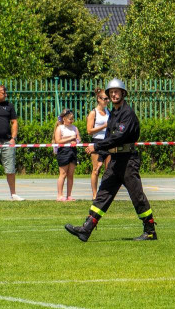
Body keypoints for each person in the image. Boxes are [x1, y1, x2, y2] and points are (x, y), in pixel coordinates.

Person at [65, 79, 157, 242]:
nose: (113, 94)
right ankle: (87, 229)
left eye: (117, 91)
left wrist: (97, 146)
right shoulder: (113, 114)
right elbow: (109, 138)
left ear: (123, 93)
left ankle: (150, 231)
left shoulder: (127, 113)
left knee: (137, 196)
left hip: (128, 161)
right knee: (103, 194)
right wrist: (100, 151)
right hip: (115, 160)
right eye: (111, 92)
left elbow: (119, 137)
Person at [0, 84, 22, 201]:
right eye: (3, 92)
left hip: (7, 142)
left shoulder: (9, 106)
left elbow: (14, 122)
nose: (5, 94)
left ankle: (13, 194)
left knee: (10, 170)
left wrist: (13, 138)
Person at [86, 88, 110, 200]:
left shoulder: (108, 112)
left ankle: (106, 193)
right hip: (97, 142)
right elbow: (89, 131)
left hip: (108, 142)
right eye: (105, 99)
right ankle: (95, 194)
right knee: (96, 169)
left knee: (108, 169)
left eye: (107, 99)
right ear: (99, 99)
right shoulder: (93, 113)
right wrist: (104, 126)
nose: (107, 101)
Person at [54, 109, 81, 202]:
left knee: (70, 174)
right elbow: (58, 141)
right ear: (64, 119)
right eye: (70, 119)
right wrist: (70, 138)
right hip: (63, 151)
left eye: (72, 119)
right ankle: (60, 195)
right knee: (63, 174)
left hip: (73, 151)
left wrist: (75, 141)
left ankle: (69, 195)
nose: (71, 121)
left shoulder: (75, 128)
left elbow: (78, 139)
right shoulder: (60, 128)